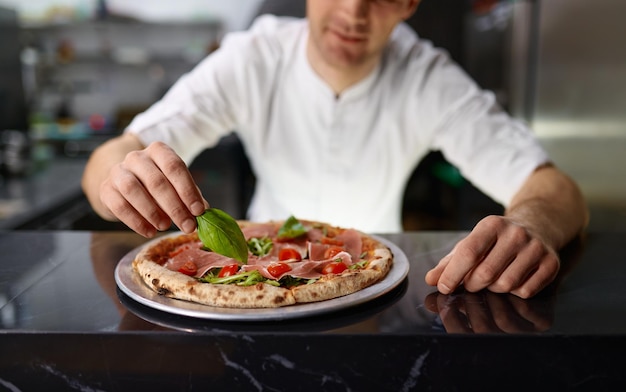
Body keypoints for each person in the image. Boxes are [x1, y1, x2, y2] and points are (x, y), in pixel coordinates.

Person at [82, 0, 588, 298]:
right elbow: (115, 155)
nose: (354, 12)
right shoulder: (254, 56)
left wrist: (531, 225)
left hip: (372, 294)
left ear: (410, 4)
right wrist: (120, 175)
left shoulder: (427, 76)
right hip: (243, 275)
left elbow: (555, 190)